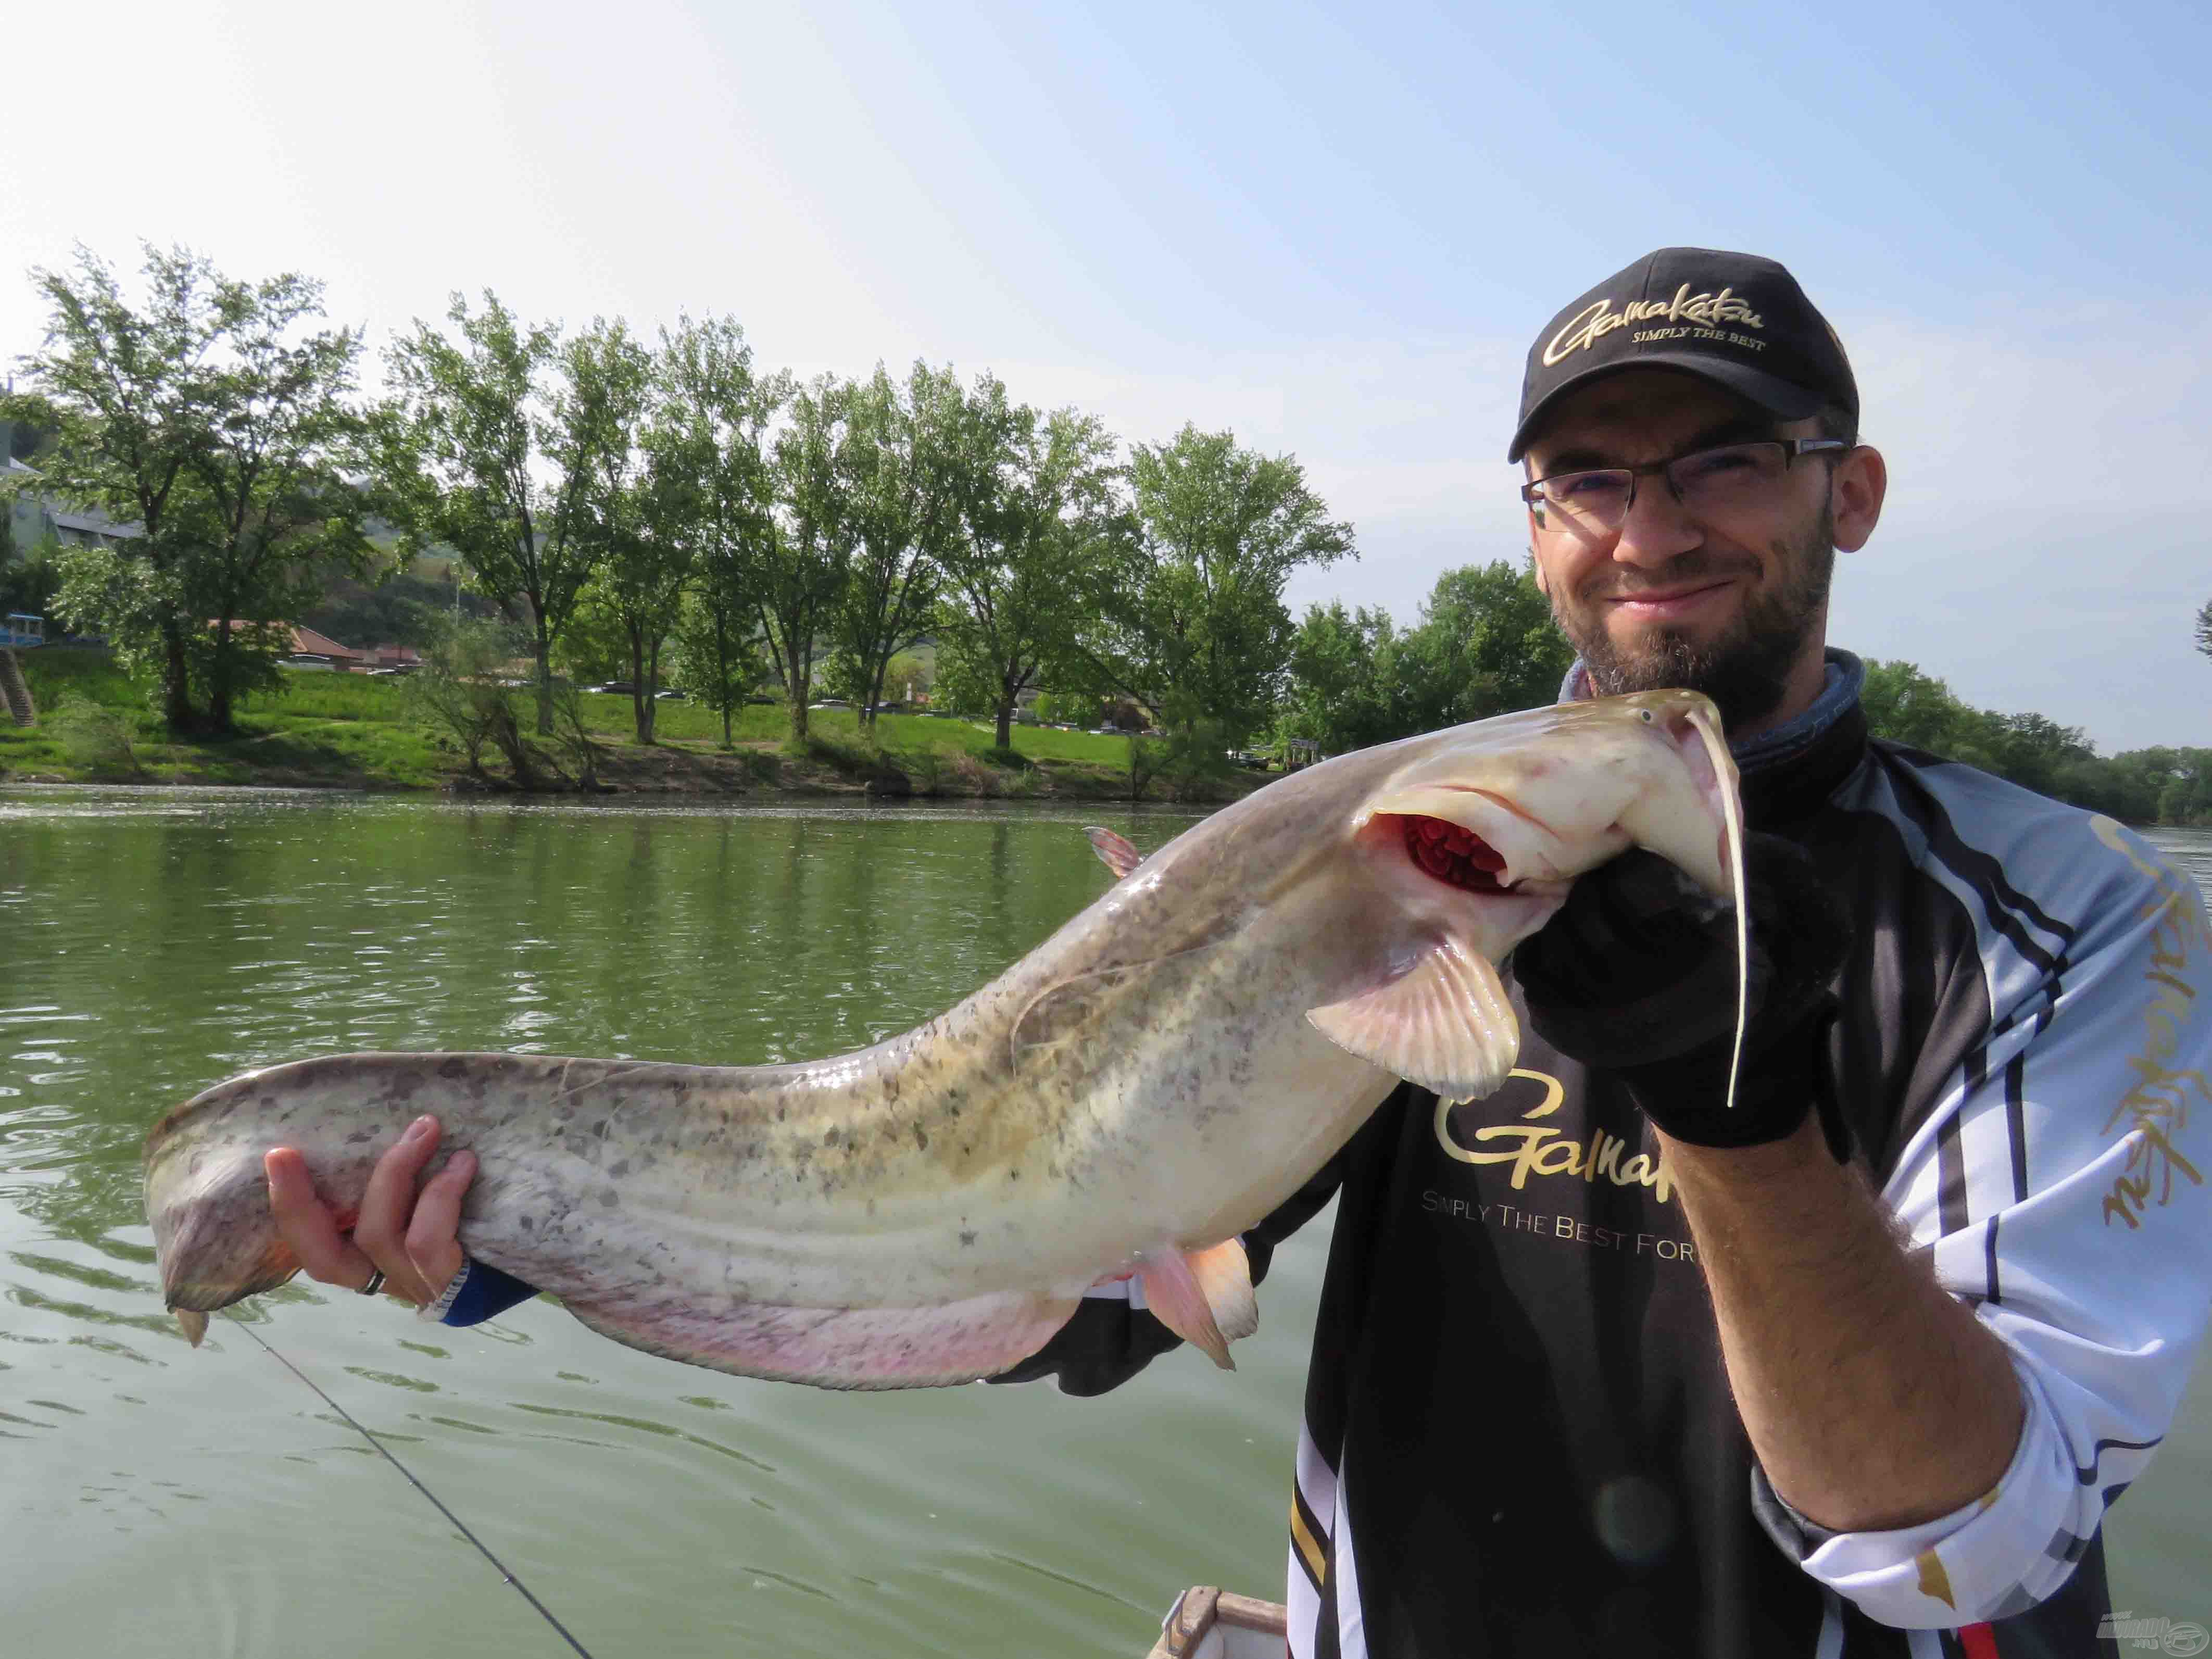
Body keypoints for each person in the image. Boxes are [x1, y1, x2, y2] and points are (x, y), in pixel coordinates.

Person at [267, 248, 2212, 1658]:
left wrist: (1745, 1128)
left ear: (1848, 492)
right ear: (1536, 523)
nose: (1650, 527)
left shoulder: (2082, 911)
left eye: (1725, 459)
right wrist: (512, 1229)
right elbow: (1070, 1255)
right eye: (1591, 478)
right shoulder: (1383, 856)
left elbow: (1976, 1539)